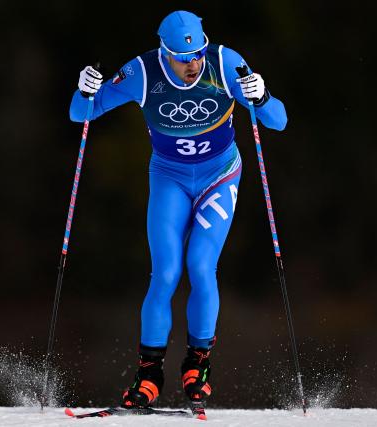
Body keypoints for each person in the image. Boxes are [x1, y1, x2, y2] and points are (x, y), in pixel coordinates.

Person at [70, 10, 287, 411]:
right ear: (163, 52)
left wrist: (263, 96)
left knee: (202, 266)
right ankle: (149, 374)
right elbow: (82, 114)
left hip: (219, 175)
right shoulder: (141, 72)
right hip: (169, 177)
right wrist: (83, 91)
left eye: (197, 55)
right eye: (180, 57)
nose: (191, 65)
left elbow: (277, 121)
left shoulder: (224, 64)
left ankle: (197, 365)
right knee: (166, 272)